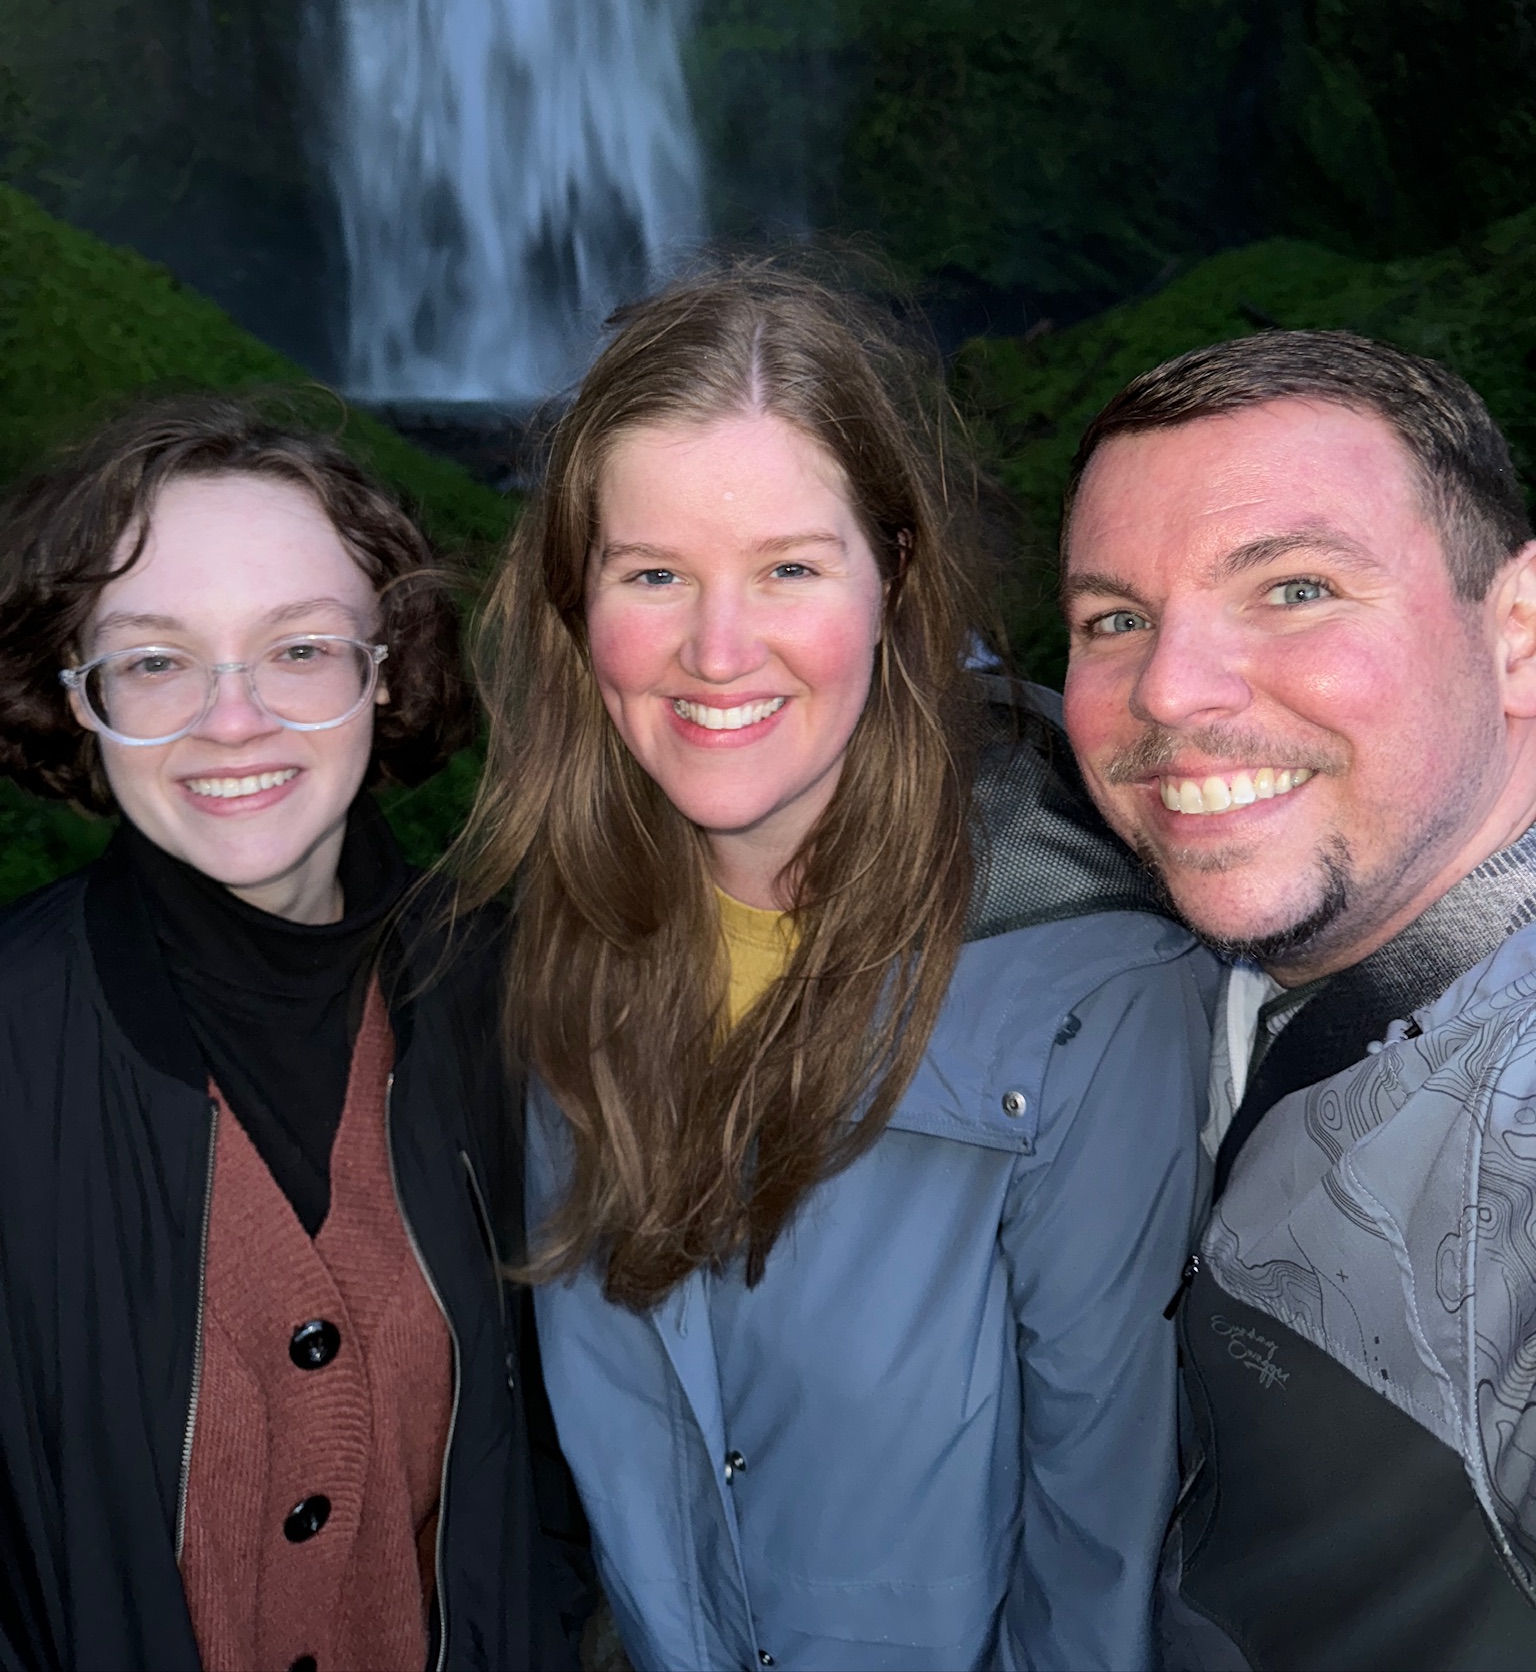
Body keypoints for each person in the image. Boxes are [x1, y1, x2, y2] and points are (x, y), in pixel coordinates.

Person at [456, 263, 1217, 1672]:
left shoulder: (1093, 997)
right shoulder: (569, 938)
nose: (718, 649)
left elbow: (1108, 1560)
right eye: (654, 574)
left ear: (895, 578)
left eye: (790, 567)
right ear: (577, 602)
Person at [0, 393, 585, 1672]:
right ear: (80, 698)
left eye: (299, 648)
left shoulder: (519, 1002)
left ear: (391, 667)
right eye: (156, 660)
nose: (232, 718)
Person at [1061, 328, 1536, 1671]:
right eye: (1115, 618)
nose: (1166, 689)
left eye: (1296, 588)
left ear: (1518, 634)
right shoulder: (1241, 972)